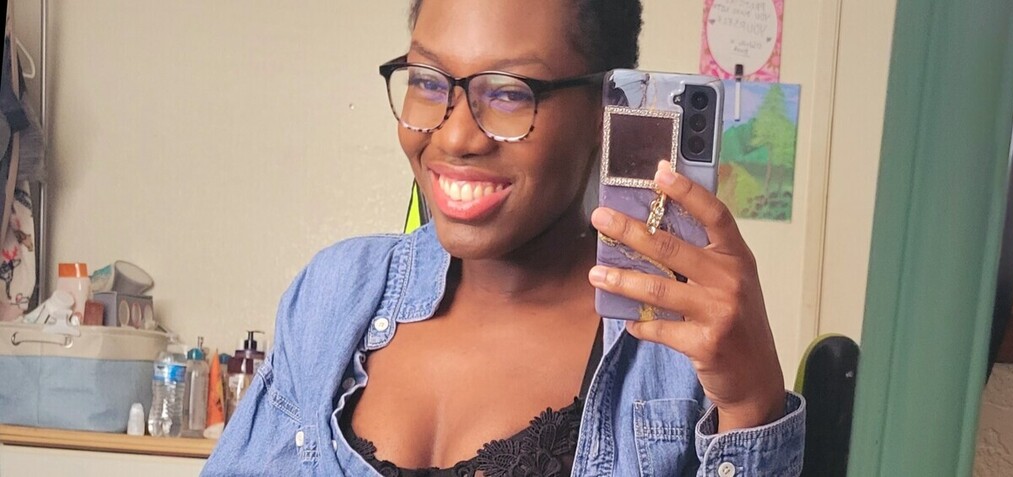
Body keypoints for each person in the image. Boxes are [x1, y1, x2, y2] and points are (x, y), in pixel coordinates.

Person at [204, 0, 805, 475]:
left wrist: (750, 409)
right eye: (428, 81)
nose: (455, 137)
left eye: (511, 92)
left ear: (607, 107)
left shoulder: (686, 354)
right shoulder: (333, 293)